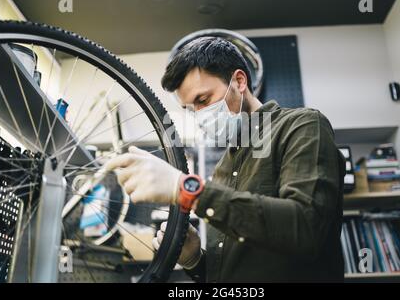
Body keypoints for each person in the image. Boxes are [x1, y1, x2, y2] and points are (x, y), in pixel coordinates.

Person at [105, 37, 346, 282]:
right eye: (190, 109)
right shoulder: (223, 168)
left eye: (203, 100)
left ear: (239, 81)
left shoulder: (302, 126)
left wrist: (187, 189)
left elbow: (306, 228)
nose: (199, 116)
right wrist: (194, 259)